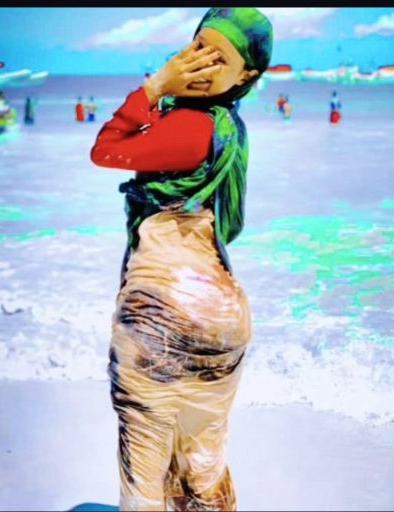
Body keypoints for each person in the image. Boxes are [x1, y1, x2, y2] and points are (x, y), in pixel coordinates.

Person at [90, 7, 273, 511]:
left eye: (219, 59)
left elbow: (106, 149)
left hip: (162, 311)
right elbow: (228, 226)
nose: (201, 64)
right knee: (202, 462)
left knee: (144, 468)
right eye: (198, 48)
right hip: (223, 315)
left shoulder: (190, 128)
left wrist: (155, 86)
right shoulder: (231, 130)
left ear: (247, 76)